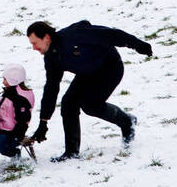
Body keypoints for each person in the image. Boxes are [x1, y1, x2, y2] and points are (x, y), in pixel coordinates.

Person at [26, 20, 149, 162]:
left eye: (34, 43)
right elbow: (51, 88)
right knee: (68, 104)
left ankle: (127, 121)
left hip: (110, 68)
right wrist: (43, 122)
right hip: (87, 73)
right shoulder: (51, 57)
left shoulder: (76, 35)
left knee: (91, 105)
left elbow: (111, 35)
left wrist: (138, 45)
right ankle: (71, 152)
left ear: (46, 37)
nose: (34, 48)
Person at [0, 66, 36, 159]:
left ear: (13, 79)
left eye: (5, 79)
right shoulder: (10, 93)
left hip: (13, 133)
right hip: (2, 129)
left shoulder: (20, 99)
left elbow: (23, 119)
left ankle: (14, 153)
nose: (3, 82)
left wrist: (17, 135)